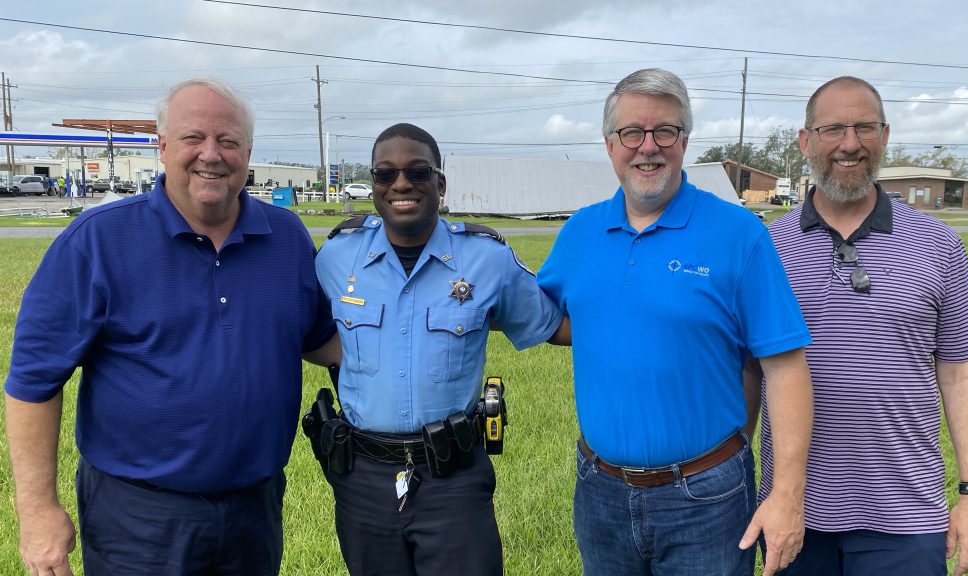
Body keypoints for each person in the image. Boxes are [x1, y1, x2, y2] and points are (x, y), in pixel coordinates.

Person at [4, 77, 338, 576]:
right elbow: (33, 382)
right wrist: (36, 512)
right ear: (162, 146)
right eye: (193, 138)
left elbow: (321, 341)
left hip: (255, 508)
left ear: (247, 151)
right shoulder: (97, 242)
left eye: (228, 141)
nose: (212, 154)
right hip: (137, 518)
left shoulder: (286, 238)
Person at [536, 67, 814, 576]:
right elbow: (547, 317)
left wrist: (787, 497)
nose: (648, 146)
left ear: (684, 140)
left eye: (664, 131)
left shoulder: (738, 233)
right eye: (631, 133)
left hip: (707, 496)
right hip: (600, 492)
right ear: (609, 145)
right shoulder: (580, 231)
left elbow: (786, 366)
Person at [749, 76, 968, 576]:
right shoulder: (764, 250)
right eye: (833, 129)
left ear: (884, 135)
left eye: (864, 127)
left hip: (905, 514)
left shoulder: (937, 245)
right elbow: (748, 373)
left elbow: (963, 372)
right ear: (805, 141)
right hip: (796, 509)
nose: (849, 143)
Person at [313, 123, 565, 576]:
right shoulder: (336, 256)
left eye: (417, 172)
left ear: (440, 183)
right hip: (362, 478)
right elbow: (303, 332)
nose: (401, 184)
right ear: (373, 185)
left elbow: (550, 325)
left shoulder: (486, 259)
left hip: (453, 478)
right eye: (385, 174)